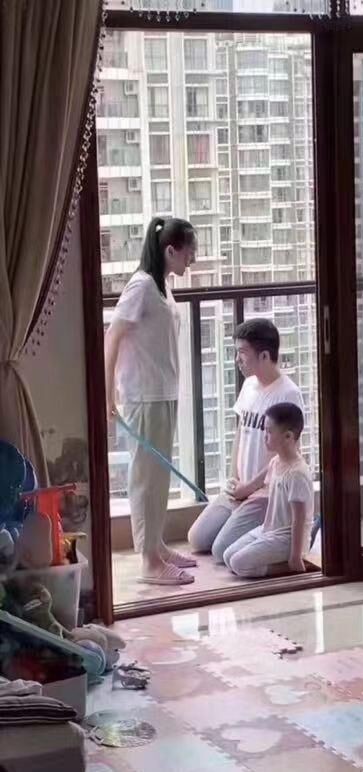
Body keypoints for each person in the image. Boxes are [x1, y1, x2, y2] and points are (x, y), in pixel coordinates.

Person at [105, 216, 197, 585]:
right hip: (144, 396)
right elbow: (113, 337)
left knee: (159, 478)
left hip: (164, 393)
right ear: (170, 250)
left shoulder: (162, 286)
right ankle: (149, 562)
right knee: (145, 479)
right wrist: (108, 392)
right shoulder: (141, 286)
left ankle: (156, 546)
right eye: (189, 253)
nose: (192, 259)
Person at [188, 318, 304, 563]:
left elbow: (285, 457)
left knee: (220, 551)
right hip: (240, 488)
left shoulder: (288, 394)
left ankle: (281, 535)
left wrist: (249, 488)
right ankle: (244, 525)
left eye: (242, 353)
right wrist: (234, 480)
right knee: (197, 539)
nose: (237, 360)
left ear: (264, 356)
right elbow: (240, 433)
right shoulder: (249, 385)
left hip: (264, 493)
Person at [223, 403, 314, 578]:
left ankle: (295, 565)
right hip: (269, 530)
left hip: (287, 538)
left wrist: (295, 556)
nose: (264, 436)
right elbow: (260, 487)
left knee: (238, 564)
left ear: (288, 436)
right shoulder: (275, 462)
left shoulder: (297, 473)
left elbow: (299, 518)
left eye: (269, 431)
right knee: (228, 556)